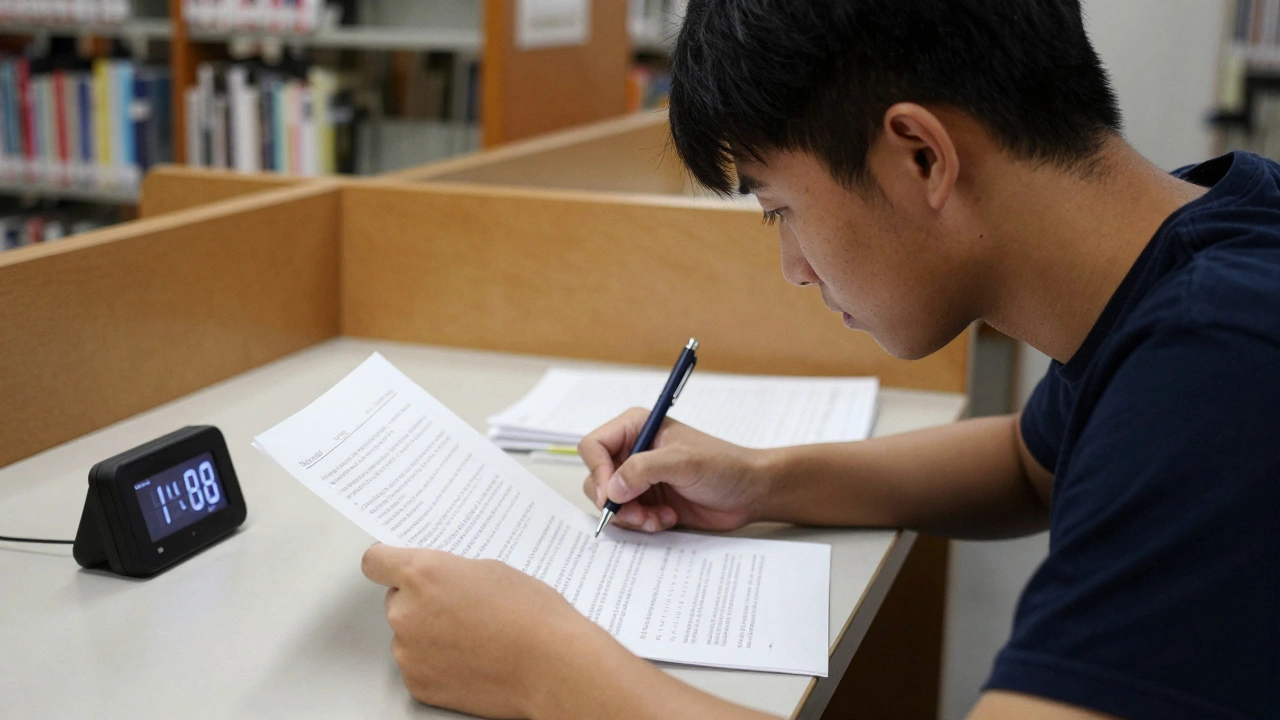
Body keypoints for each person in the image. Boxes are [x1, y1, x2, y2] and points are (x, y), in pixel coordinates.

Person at [358, 1, 1280, 718]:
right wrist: (759, 480)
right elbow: (1030, 464)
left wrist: (542, 668)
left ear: (920, 156)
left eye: (779, 210)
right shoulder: (1202, 245)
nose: (794, 270)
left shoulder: (1220, 370)